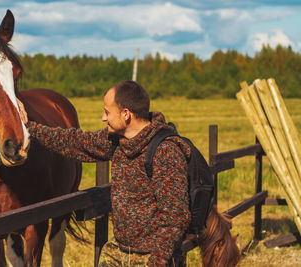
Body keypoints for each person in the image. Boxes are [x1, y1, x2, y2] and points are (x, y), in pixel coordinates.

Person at [18, 81, 191, 266]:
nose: (103, 118)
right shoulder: (117, 141)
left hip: (154, 257)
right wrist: (30, 127)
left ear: (126, 114)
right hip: (121, 250)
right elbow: (75, 142)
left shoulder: (166, 151)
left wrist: (157, 261)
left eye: (107, 112)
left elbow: (176, 217)